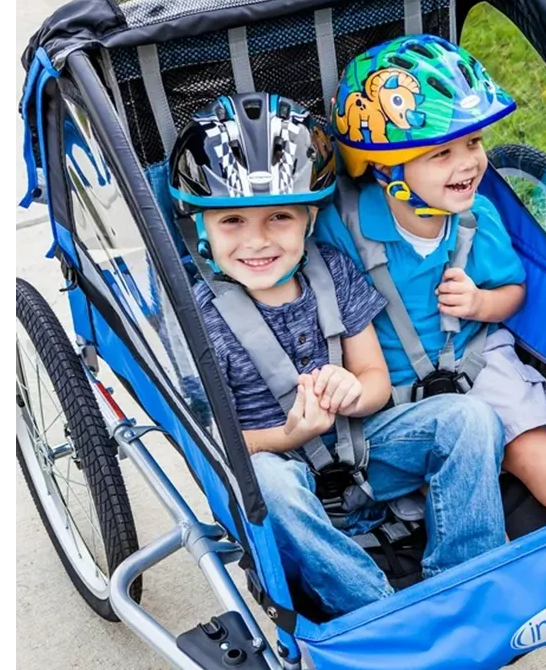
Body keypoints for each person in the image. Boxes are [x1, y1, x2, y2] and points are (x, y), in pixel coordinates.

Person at [168, 91, 507, 617]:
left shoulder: (332, 270)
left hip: (363, 448)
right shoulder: (200, 319)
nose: (257, 241)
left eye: (279, 218)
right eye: (231, 221)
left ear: (309, 219)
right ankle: (378, 613)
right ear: (200, 227)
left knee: (471, 419)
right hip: (279, 472)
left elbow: (373, 377)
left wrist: (355, 392)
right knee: (270, 484)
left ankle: (466, 579)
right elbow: (212, 440)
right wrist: (289, 436)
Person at [316, 35, 546, 521]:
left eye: (473, 142)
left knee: (527, 441)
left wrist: (480, 305)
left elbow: (513, 291)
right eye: (442, 153)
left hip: (474, 358)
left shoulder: (476, 217)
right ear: (383, 165)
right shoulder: (343, 225)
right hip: (387, 384)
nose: (469, 162)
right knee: (427, 476)